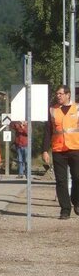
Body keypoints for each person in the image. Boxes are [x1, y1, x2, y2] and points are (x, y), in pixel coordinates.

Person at [42, 85, 79, 220]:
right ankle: (65, 209)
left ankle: (76, 200)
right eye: (57, 94)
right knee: (61, 181)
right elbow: (47, 131)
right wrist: (45, 150)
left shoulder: (77, 108)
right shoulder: (52, 110)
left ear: (68, 95)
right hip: (58, 149)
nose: (58, 96)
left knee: (77, 177)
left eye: (61, 93)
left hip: (76, 148)